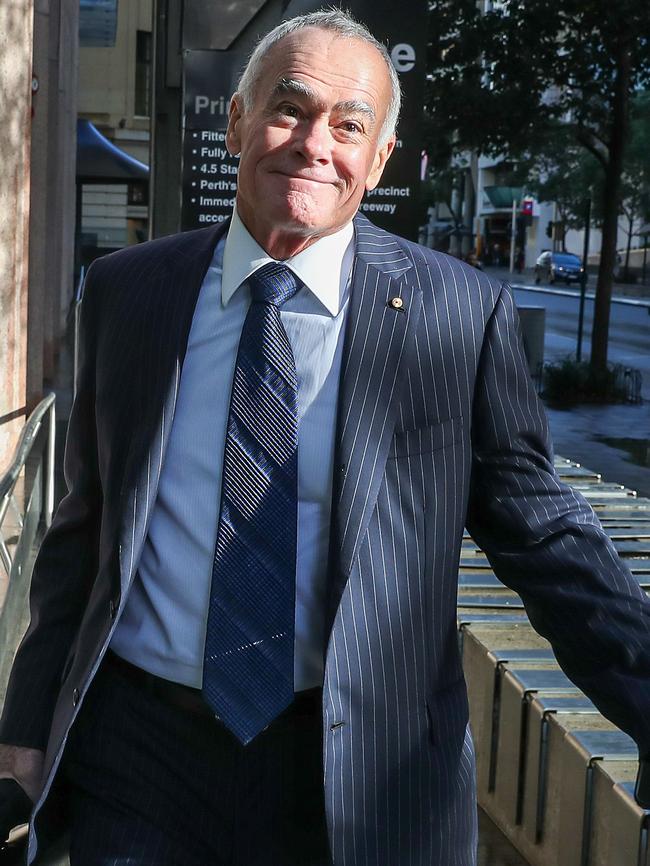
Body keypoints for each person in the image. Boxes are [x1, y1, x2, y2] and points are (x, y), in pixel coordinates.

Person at [2, 8, 650, 866]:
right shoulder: (129, 293)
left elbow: (546, 536)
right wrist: (24, 726)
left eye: (349, 126)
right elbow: (84, 531)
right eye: (288, 109)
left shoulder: (458, 314)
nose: (314, 145)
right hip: (140, 755)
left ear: (378, 159)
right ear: (235, 123)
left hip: (359, 773)